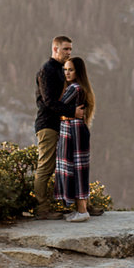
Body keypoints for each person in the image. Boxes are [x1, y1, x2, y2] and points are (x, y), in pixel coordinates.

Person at [33, 36, 72, 215]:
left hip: (60, 124)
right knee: (46, 167)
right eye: (65, 49)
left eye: (70, 49)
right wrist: (72, 111)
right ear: (55, 49)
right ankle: (41, 208)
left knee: (68, 165)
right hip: (48, 124)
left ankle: (72, 204)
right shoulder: (47, 70)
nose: (69, 52)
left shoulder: (60, 70)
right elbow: (48, 101)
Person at [55, 54, 95, 220]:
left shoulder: (74, 89)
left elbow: (57, 107)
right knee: (78, 167)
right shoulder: (80, 88)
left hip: (73, 132)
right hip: (76, 129)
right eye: (65, 70)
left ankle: (82, 211)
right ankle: (81, 209)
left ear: (78, 72)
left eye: (70, 70)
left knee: (77, 168)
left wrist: (64, 116)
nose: (67, 73)